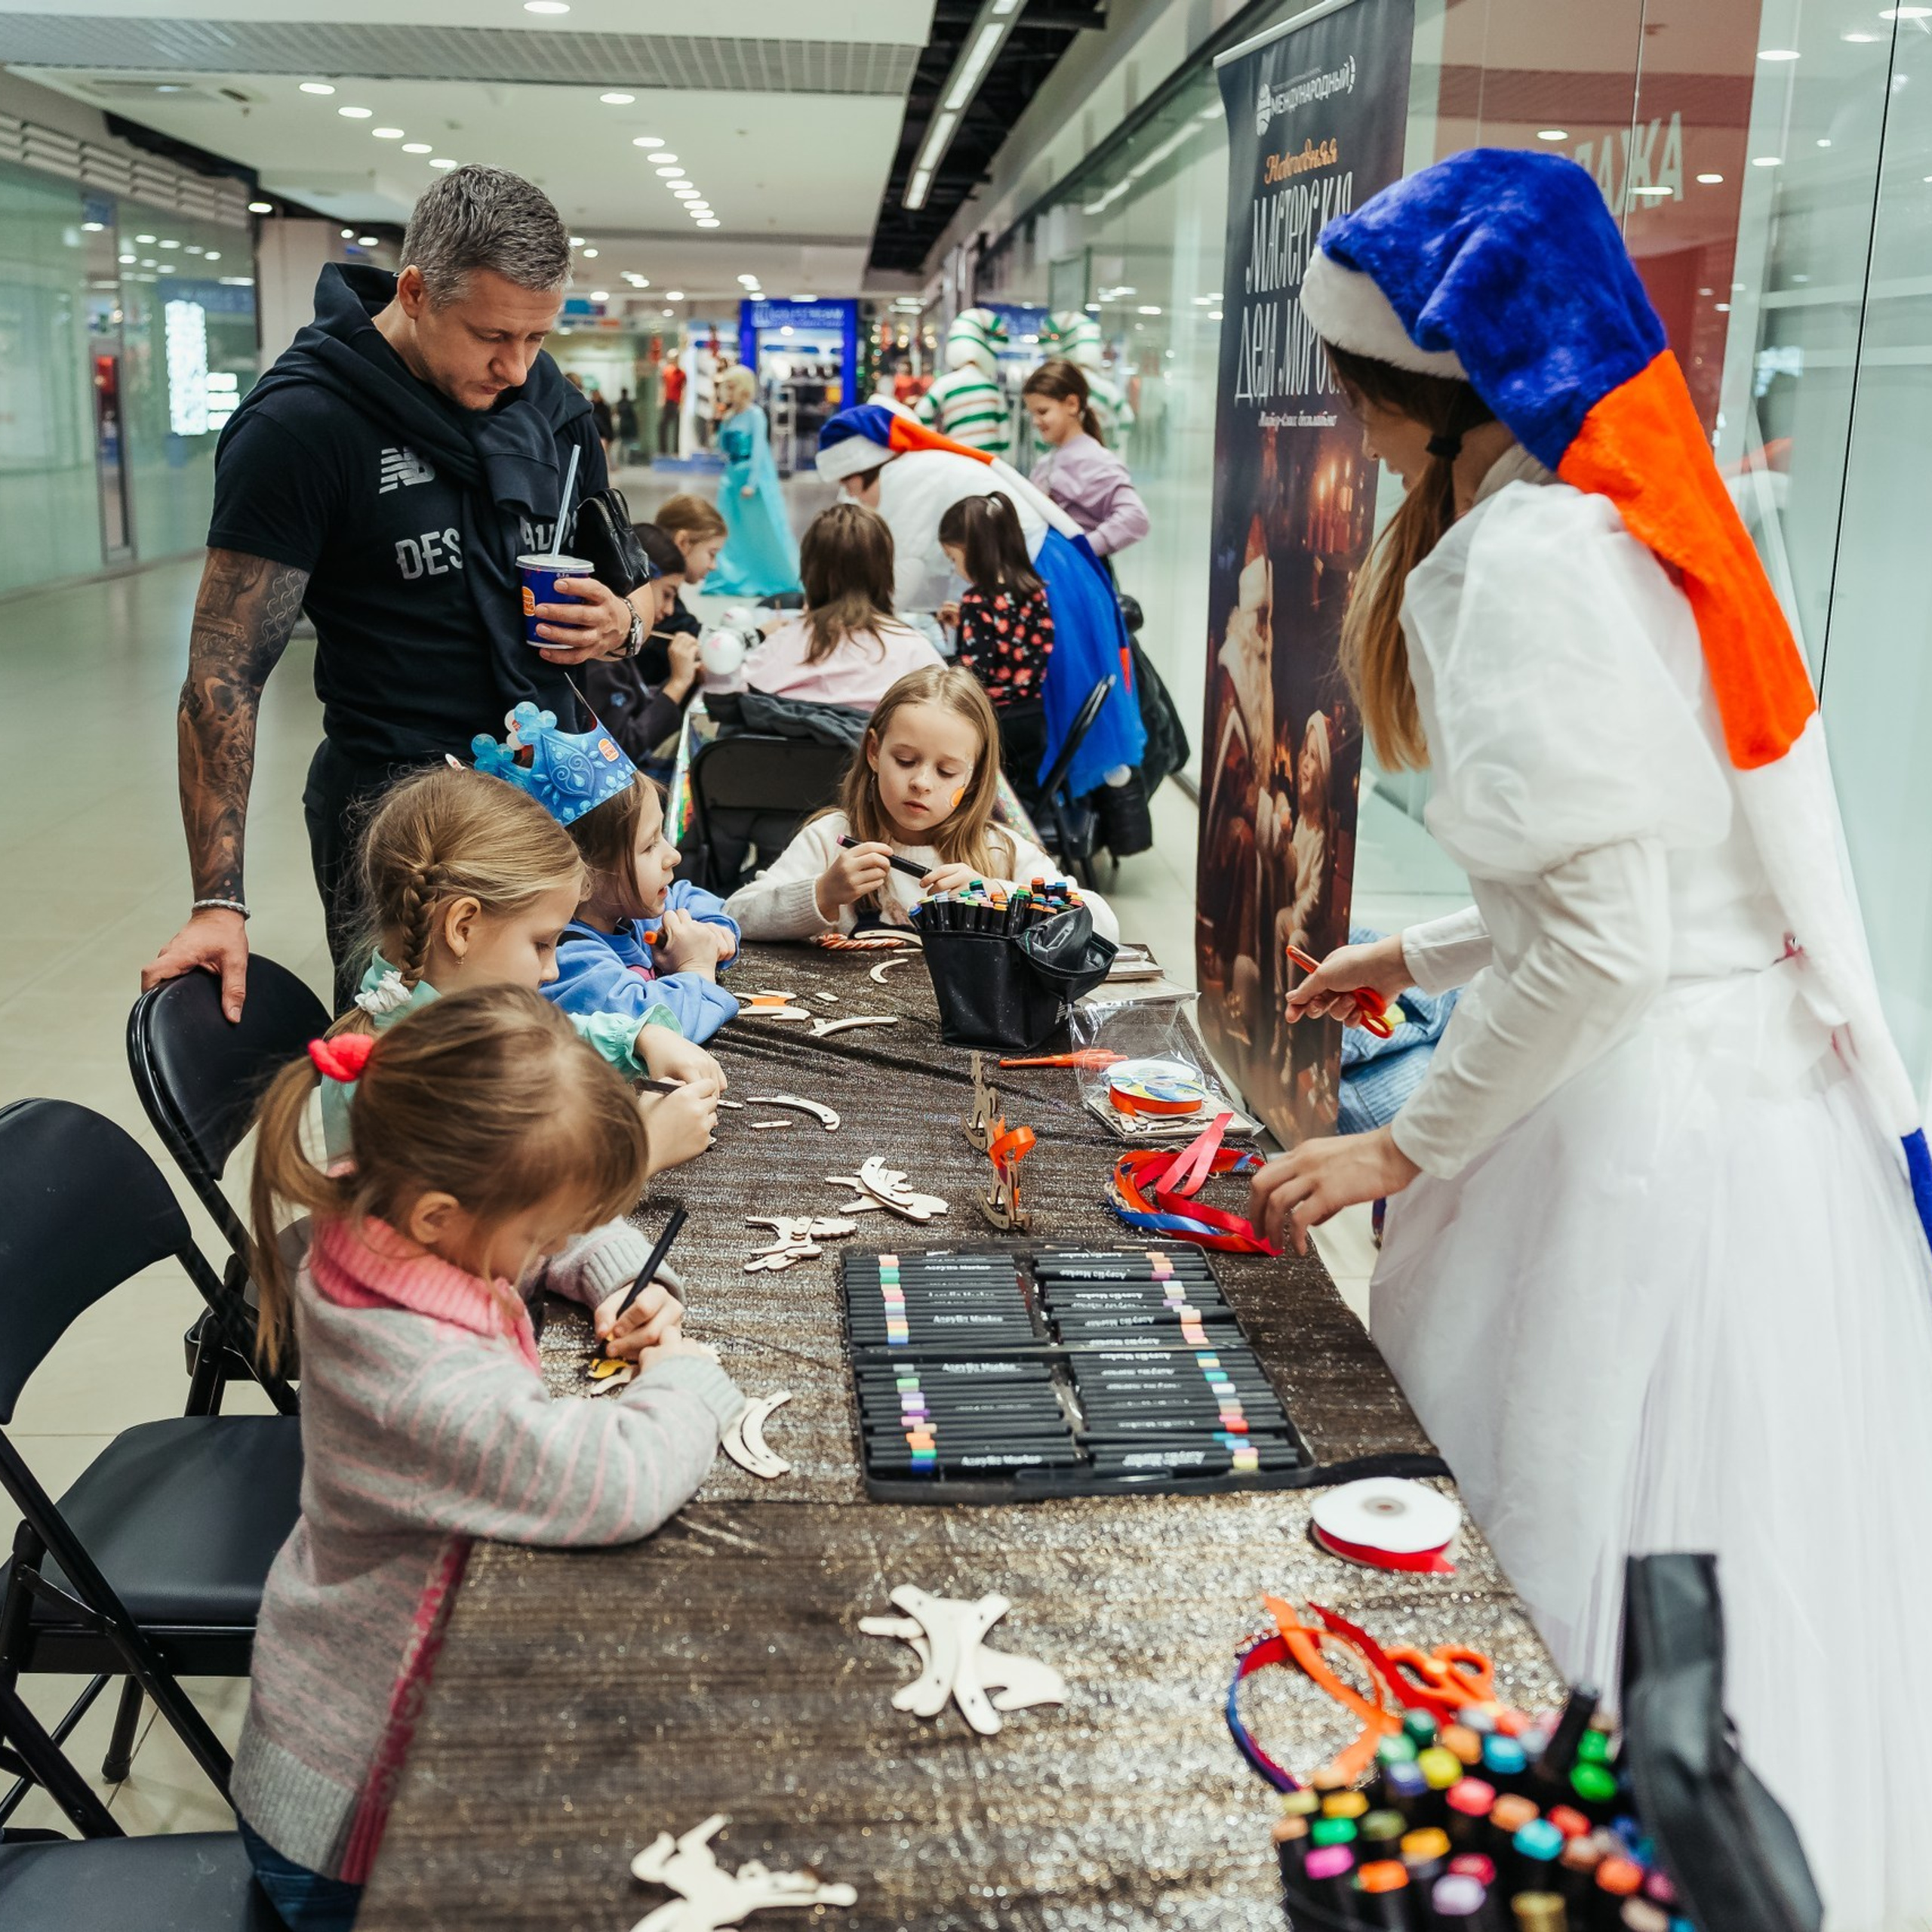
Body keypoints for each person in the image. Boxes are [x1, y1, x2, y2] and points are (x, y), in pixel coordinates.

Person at [1251, 149, 1932, 1929]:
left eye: (1350, 390)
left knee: (1563, 1549)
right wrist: (1422, 943)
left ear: (1417, 395)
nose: (1346, 424)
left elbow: (1607, 945)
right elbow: (1660, 870)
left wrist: (1400, 1142)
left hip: (1641, 1144)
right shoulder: (1613, 520)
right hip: (1743, 1111)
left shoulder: (1521, 566)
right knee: (1738, 1586)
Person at [235, 985, 743, 1924]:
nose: (545, 1247)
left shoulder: (388, 1204)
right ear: (442, 1215)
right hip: (356, 1814)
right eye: (537, 1236)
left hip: (365, 1711)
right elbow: (613, 1480)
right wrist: (688, 1383)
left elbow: (535, 1209)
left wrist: (610, 1272)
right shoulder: (417, 1373)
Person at [140, 165, 655, 1020]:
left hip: (552, 797)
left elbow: (637, 589)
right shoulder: (300, 426)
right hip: (400, 824)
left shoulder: (550, 404)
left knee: (574, 1045)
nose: (517, 366)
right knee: (419, 1066)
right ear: (414, 292)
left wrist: (623, 624)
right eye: (492, 335)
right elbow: (222, 675)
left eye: (537, 336)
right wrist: (218, 902)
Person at [342, 762, 723, 1172]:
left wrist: (638, 1038)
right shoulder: (420, 1084)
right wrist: (643, 1150)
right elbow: (506, 1206)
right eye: (541, 944)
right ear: (462, 928)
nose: (553, 970)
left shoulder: (445, 1010)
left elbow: (531, 1035)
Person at [815, 405, 1145, 801]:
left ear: (861, 467)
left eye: (848, 483)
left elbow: (903, 571)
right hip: (1046, 572)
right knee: (1058, 706)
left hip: (1043, 571)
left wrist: (858, 617)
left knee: (1062, 708)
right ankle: (1060, 807)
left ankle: (1036, 809)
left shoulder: (903, 478)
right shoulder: (915, 469)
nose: (851, 494)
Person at [724, 664, 1117, 942]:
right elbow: (736, 915)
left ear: (974, 777)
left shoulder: (999, 853)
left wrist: (1001, 895)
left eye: (947, 771)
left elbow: (1102, 925)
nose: (921, 783)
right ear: (874, 752)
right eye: (905, 761)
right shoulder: (832, 839)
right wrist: (824, 893)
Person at [726, 502, 942, 712]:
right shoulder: (915, 651)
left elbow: (733, 698)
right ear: (885, 572)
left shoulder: (779, 647)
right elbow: (950, 710)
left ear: (809, 572)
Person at [935, 491, 1054, 797]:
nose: (955, 568)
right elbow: (1015, 640)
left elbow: (976, 673)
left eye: (953, 558)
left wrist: (943, 665)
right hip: (1032, 716)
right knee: (1022, 801)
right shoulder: (1034, 590)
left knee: (989, 801)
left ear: (973, 551)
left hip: (996, 722)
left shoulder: (977, 600)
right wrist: (967, 624)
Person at [583, 523, 700, 768]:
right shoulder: (600, 658)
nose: (670, 610)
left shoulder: (621, 646)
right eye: (667, 594)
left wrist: (688, 677)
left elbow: (637, 701)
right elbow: (621, 749)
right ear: (638, 585)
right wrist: (678, 684)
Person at [1022, 359, 1149, 562]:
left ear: (1072, 404)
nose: (1036, 421)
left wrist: (1081, 550)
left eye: (1043, 412)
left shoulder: (1097, 462)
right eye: (1032, 414)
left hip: (1075, 576)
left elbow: (1135, 518)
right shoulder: (1046, 463)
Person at [706, 364, 800, 598]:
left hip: (750, 481)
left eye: (732, 386)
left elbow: (759, 450)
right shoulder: (730, 416)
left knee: (761, 531)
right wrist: (719, 423)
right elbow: (721, 449)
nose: (728, 391)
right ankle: (730, 575)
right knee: (730, 529)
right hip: (731, 479)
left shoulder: (756, 415)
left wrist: (752, 482)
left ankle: (770, 575)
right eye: (727, 387)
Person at [914, 308, 1011, 457]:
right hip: (989, 461)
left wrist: (935, 445)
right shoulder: (992, 389)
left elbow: (922, 411)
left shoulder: (945, 384)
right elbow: (1004, 436)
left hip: (958, 458)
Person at [659, 359, 686, 457]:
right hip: (668, 401)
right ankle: (663, 450)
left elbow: (684, 389)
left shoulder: (682, 373)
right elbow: (663, 386)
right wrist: (661, 399)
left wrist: (682, 403)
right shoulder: (666, 371)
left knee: (676, 427)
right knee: (663, 425)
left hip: (676, 402)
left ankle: (676, 450)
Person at [589, 385, 615, 465]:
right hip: (594, 434)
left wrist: (610, 436)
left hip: (603, 435)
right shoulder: (590, 407)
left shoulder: (603, 407)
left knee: (602, 455)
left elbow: (608, 423)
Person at [615, 388, 638, 462]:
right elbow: (633, 416)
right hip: (629, 424)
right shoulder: (629, 404)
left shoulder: (619, 404)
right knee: (628, 443)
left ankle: (622, 459)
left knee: (623, 442)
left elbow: (617, 413)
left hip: (623, 424)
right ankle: (627, 459)